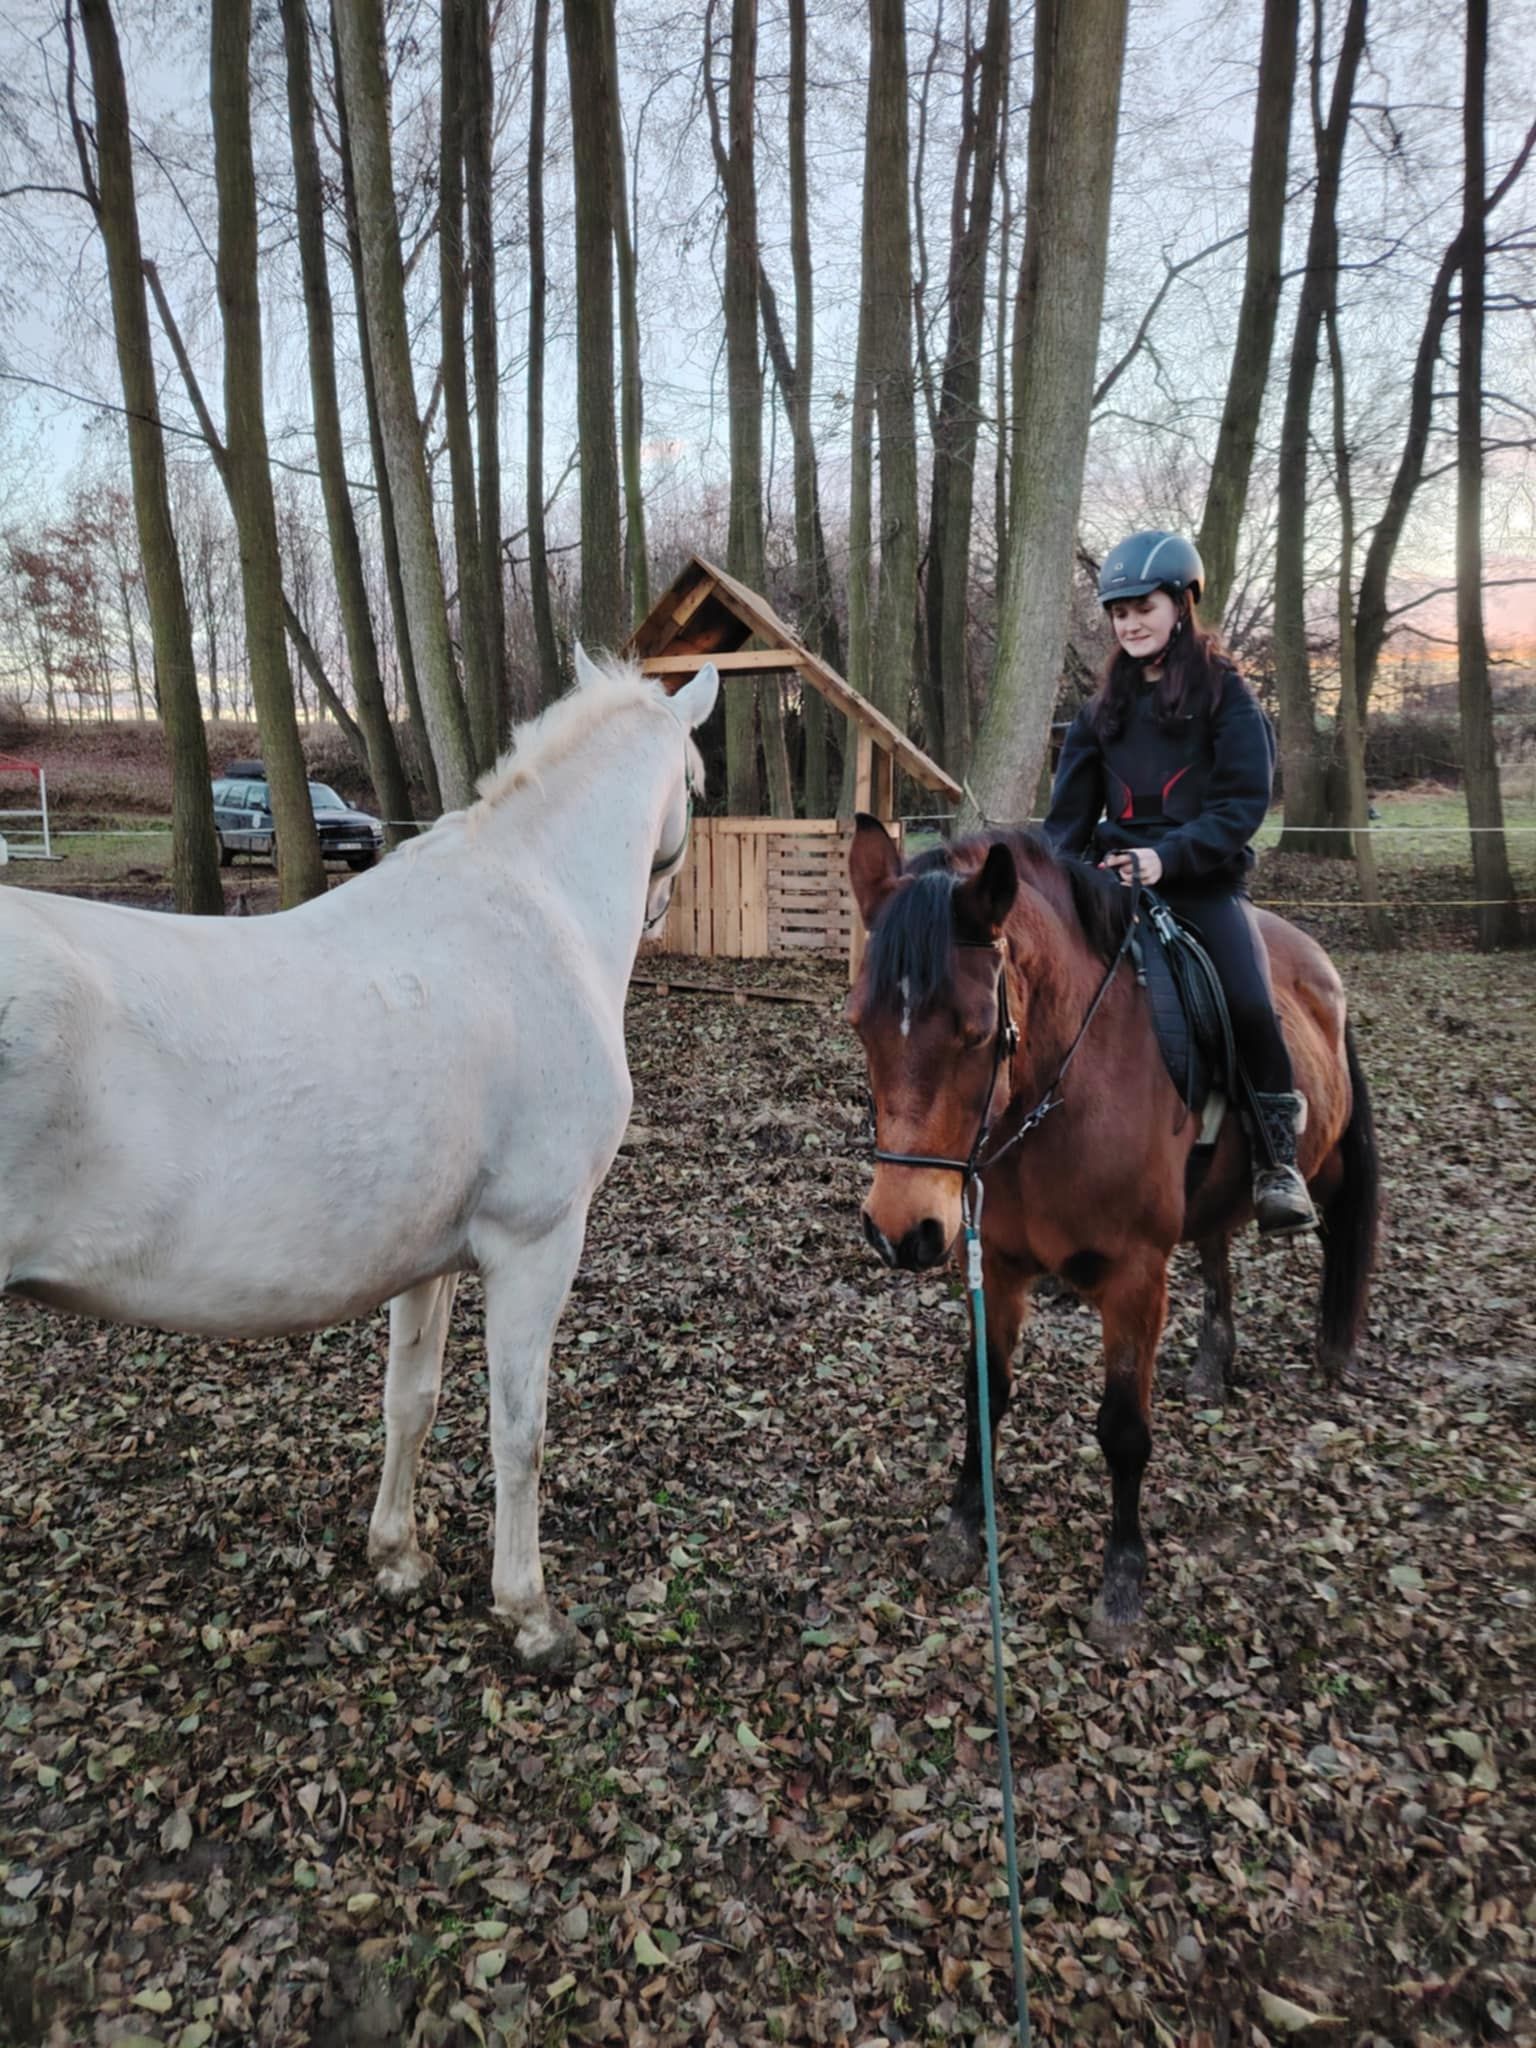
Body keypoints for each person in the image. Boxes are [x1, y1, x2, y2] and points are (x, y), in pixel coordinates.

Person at [1042, 529, 1317, 1235]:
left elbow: (1239, 808)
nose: (1130, 622)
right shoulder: (1099, 712)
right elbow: (1067, 821)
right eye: (1119, 611)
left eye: (1145, 607)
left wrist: (1167, 858)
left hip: (1202, 885)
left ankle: (1275, 1159)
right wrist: (1054, 882)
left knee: (1252, 1003)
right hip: (1112, 887)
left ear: (1180, 605)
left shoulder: (1228, 697)